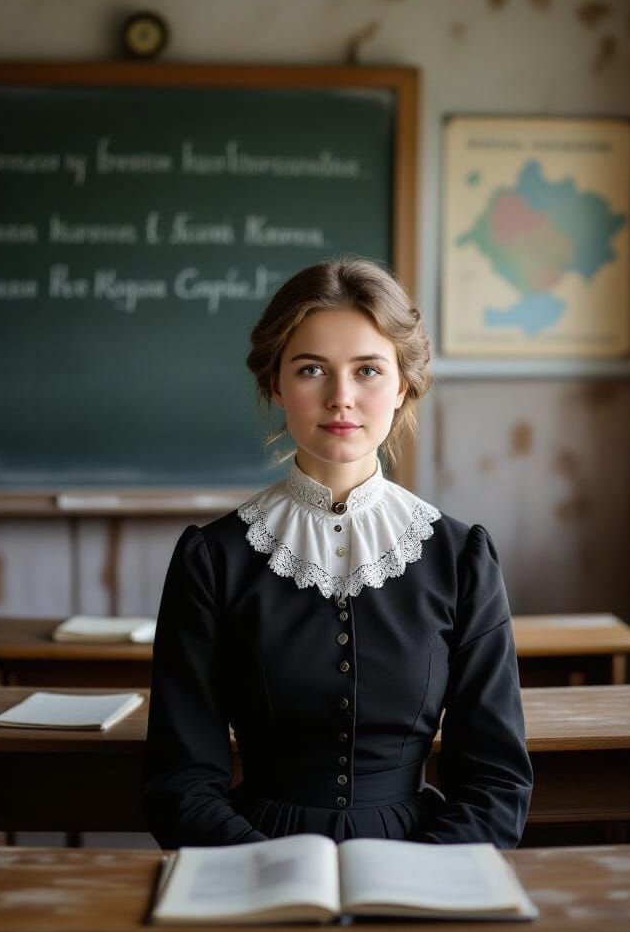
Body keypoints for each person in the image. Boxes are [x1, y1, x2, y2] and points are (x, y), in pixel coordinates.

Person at [143, 257, 532, 848]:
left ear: (403, 385)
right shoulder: (211, 559)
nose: (340, 398)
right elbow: (180, 782)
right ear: (276, 384)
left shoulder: (461, 558)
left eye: (368, 370)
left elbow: (496, 784)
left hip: (423, 859)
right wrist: (262, 871)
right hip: (251, 856)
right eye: (311, 370)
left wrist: (426, 873)